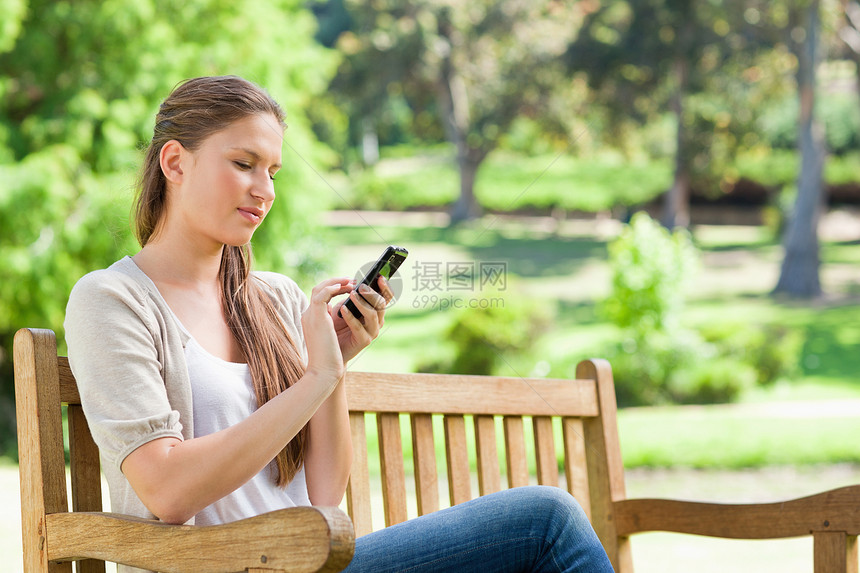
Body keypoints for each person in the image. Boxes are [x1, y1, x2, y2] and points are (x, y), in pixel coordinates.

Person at [65, 75, 614, 573]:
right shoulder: (112, 301)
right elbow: (167, 490)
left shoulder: (273, 299)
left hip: (307, 560)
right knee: (546, 521)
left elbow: (323, 501)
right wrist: (316, 378)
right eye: (243, 164)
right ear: (175, 163)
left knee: (548, 523)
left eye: (273, 171)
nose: (266, 190)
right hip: (217, 565)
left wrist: (334, 365)